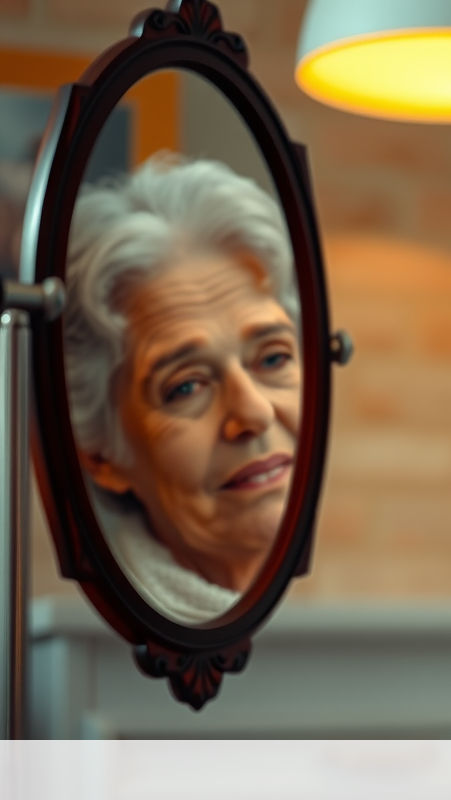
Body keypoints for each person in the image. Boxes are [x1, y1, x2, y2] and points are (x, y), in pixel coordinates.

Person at [64, 154, 301, 624]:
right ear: (100, 456)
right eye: (186, 386)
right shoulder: (81, 650)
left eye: (272, 358)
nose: (254, 413)